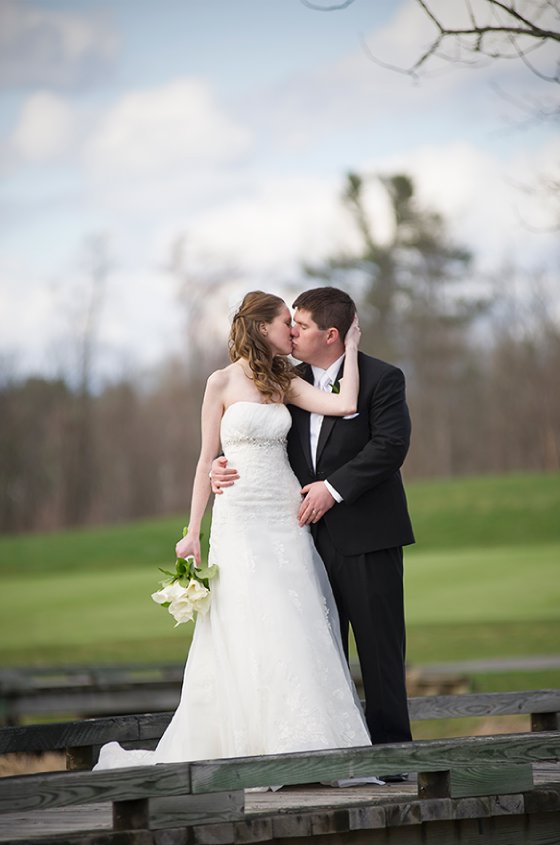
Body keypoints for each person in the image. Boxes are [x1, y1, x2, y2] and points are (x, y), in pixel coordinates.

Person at [95, 291, 374, 772]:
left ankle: (308, 746)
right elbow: (207, 459)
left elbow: (345, 403)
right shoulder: (220, 382)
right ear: (263, 327)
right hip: (239, 517)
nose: (293, 330)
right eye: (287, 322)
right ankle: (249, 746)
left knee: (294, 618)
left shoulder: (283, 380)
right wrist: (192, 531)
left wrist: (350, 346)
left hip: (284, 516)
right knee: (246, 618)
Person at [210, 287, 415, 748]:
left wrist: (333, 489)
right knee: (317, 653)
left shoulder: (383, 378)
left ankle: (392, 757)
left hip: (367, 536)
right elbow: (250, 435)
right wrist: (218, 464)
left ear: (331, 335)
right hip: (300, 538)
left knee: (380, 653)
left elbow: (390, 447)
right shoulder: (280, 378)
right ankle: (337, 751)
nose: (292, 333)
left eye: (299, 326)